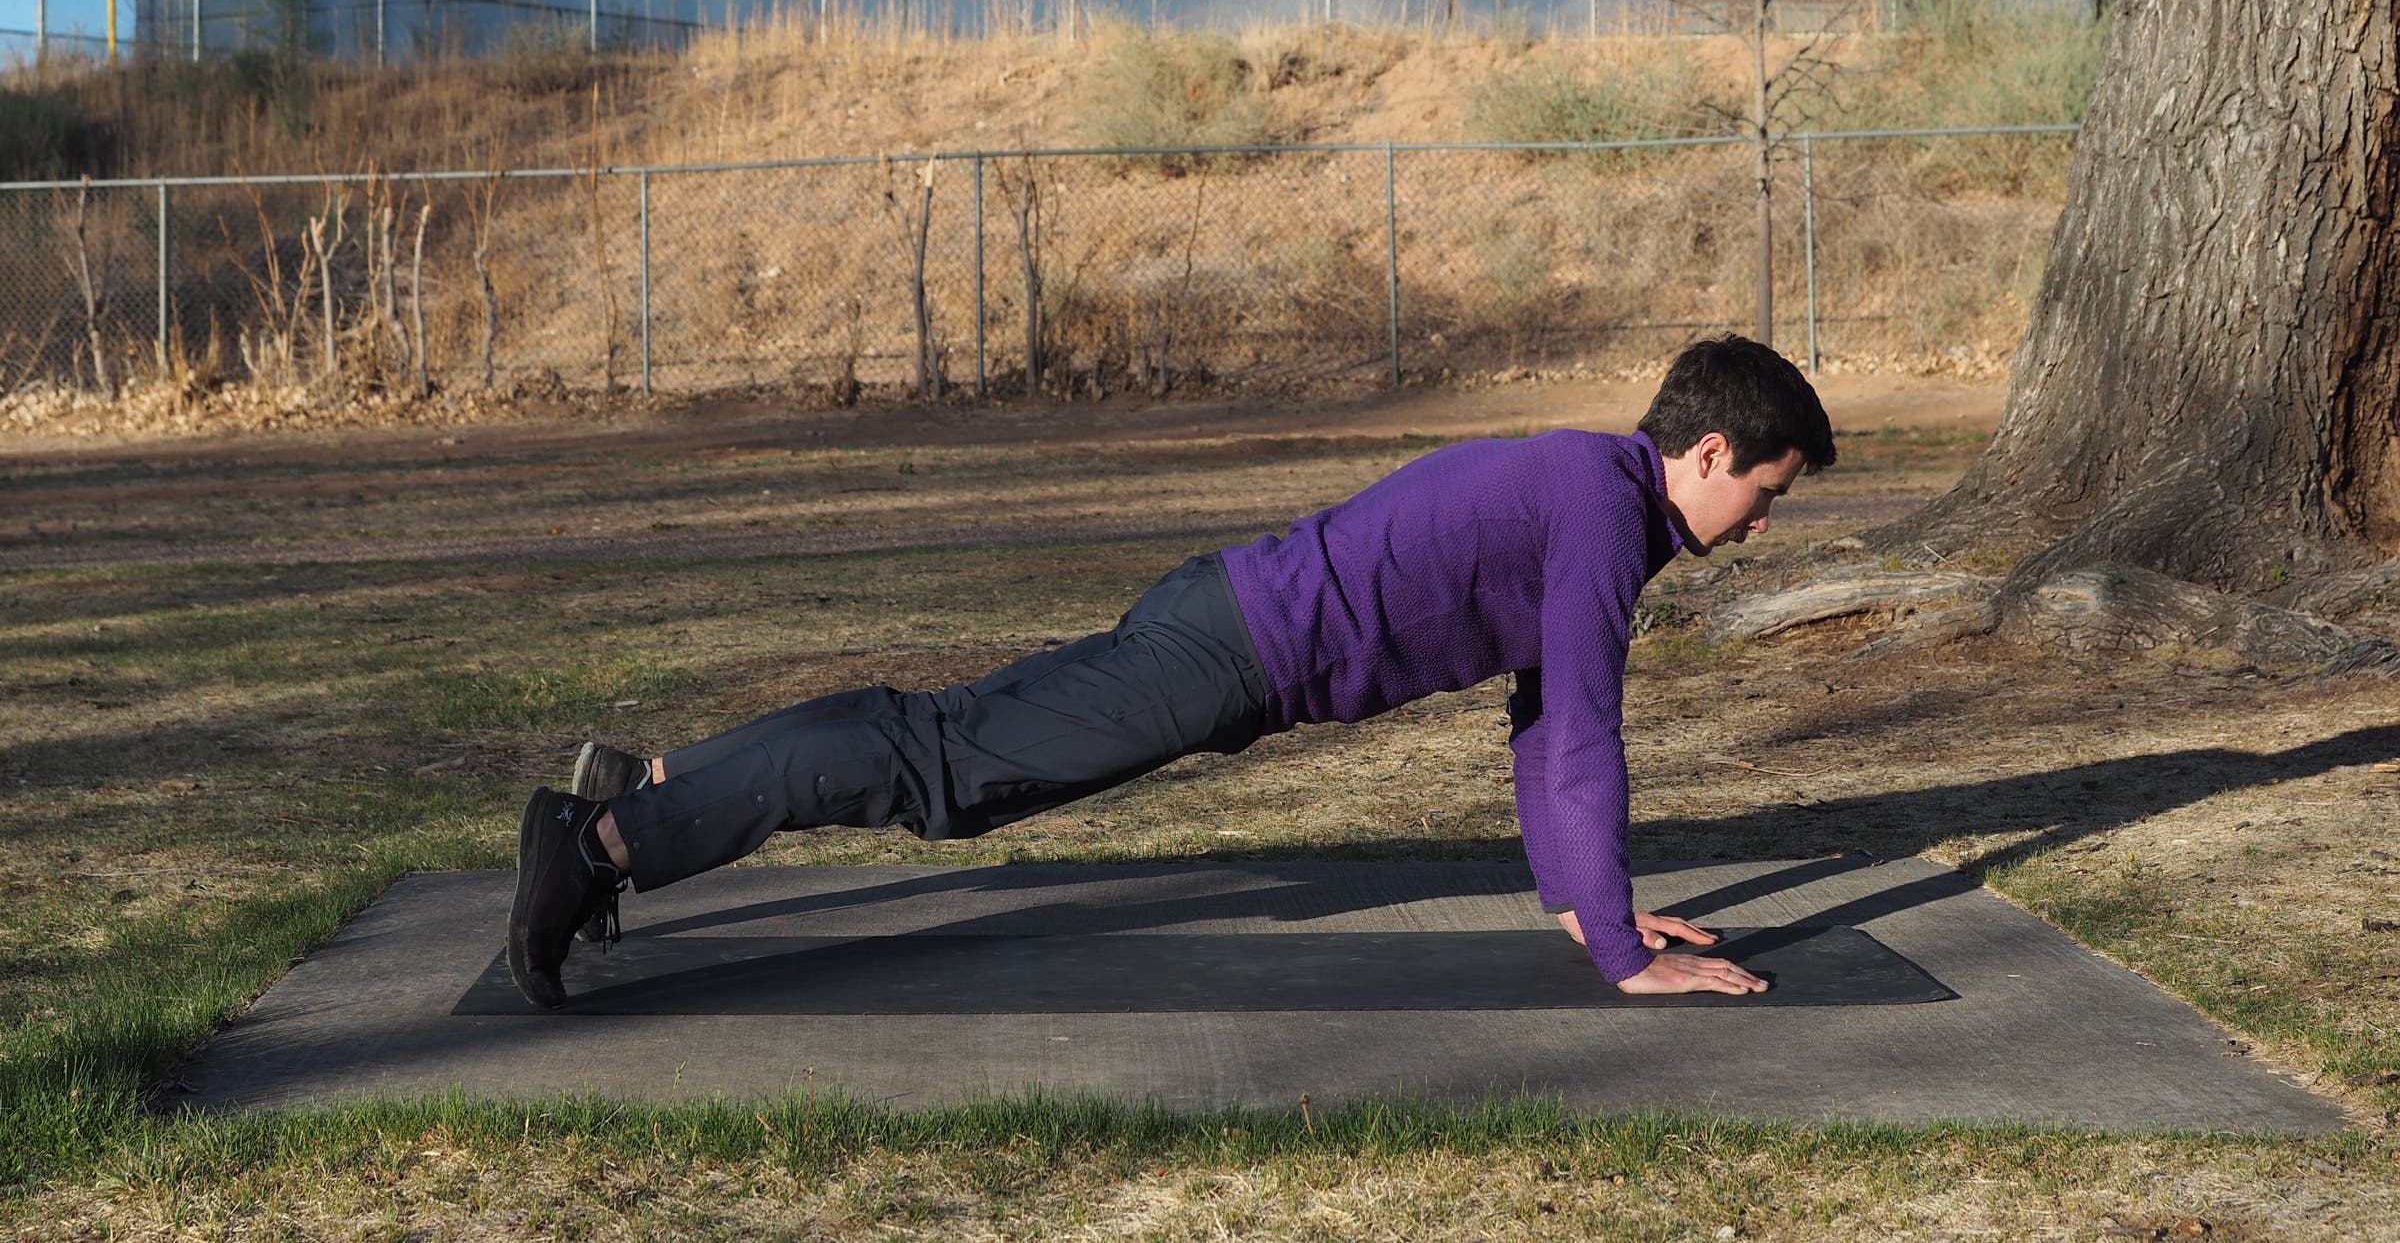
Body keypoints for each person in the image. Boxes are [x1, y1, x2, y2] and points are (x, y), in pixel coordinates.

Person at [507, 333, 1837, 1009]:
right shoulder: (1607, 509)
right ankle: (607, 836)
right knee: (939, 767)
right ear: (1711, 452)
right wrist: (1616, 948)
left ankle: (647, 786)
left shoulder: (1601, 493)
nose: (1764, 524)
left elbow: (1543, 718)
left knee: (937, 744)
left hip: (1227, 627)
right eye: (1769, 492)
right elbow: (1586, 732)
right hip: (1227, 651)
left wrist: (1576, 904)